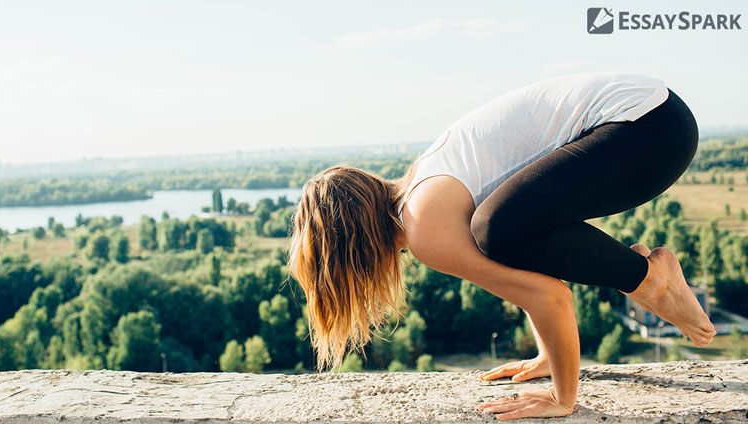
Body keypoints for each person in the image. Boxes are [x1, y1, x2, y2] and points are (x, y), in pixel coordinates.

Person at [287, 72, 716, 420]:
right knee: (502, 233)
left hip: (646, 128)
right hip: (658, 119)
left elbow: (552, 297)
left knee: (494, 230)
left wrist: (562, 399)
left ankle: (649, 281)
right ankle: (646, 279)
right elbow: (528, 275)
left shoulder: (424, 227)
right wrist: (549, 355)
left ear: (349, 254)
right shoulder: (424, 189)